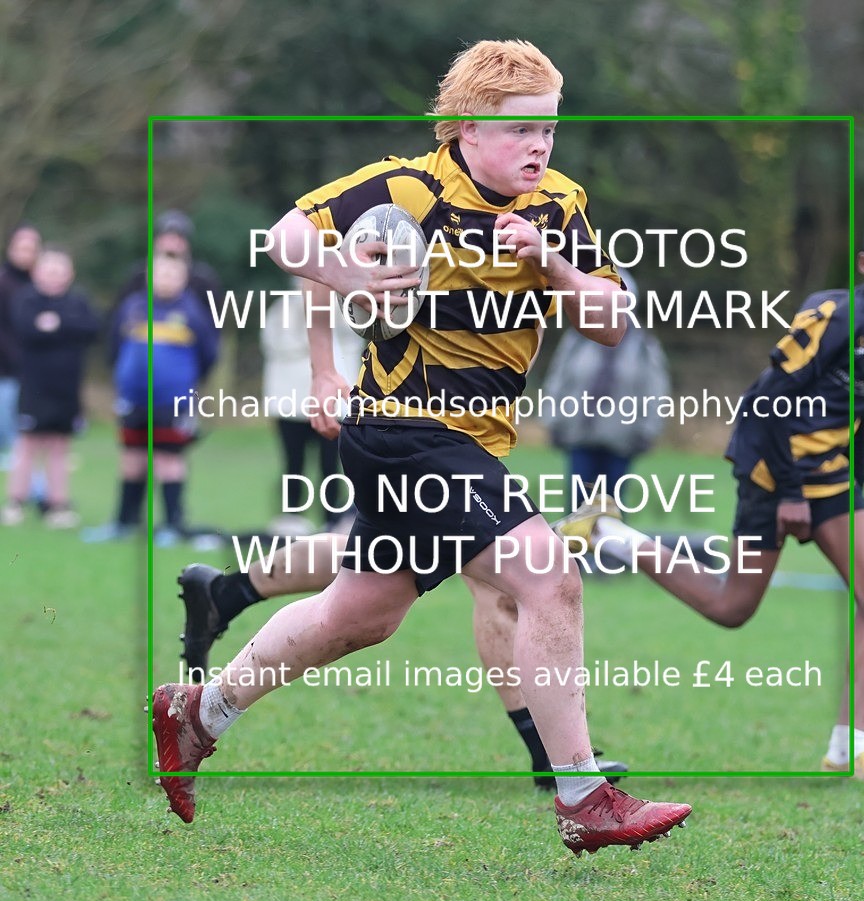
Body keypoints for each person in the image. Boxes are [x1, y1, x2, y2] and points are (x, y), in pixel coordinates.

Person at [151, 39, 692, 853]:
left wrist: (553, 263)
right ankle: (584, 797)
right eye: (519, 131)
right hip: (403, 429)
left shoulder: (561, 205)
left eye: (549, 128)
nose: (539, 146)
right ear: (469, 129)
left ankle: (198, 712)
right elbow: (289, 238)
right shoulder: (410, 185)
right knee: (551, 574)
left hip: (472, 442)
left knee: (358, 615)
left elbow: (610, 320)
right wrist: (350, 292)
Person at [556, 211, 864, 789]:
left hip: (832, 482)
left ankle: (848, 752)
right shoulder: (834, 315)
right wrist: (788, 493)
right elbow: (763, 402)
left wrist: (855, 484)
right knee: (731, 607)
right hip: (772, 471)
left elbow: (860, 410)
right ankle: (607, 532)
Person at [176, 533, 627, 791]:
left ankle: (226, 595)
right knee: (481, 577)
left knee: (383, 559)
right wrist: (324, 373)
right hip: (417, 416)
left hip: (445, 419)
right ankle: (547, 753)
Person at [83, 253, 218, 544]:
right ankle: (123, 523)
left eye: (173, 274)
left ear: (183, 279)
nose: (166, 279)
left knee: (169, 460)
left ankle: (173, 525)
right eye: (160, 273)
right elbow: (114, 347)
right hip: (133, 399)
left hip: (173, 401)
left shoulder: (192, 311)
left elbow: (209, 354)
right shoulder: (132, 307)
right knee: (132, 459)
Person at [542, 268, 671, 496]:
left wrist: (647, 431)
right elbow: (557, 381)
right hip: (580, 437)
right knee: (577, 510)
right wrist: (553, 421)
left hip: (622, 442)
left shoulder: (644, 346)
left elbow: (656, 392)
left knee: (612, 511)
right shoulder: (576, 340)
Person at [1, 246, 99, 527]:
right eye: (49, 270)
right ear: (38, 273)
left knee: (59, 447)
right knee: (27, 445)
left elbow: (91, 329)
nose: (55, 276)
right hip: (34, 388)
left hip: (66, 391)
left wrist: (57, 324)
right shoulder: (26, 300)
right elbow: (27, 330)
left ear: (70, 274)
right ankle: (15, 502)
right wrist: (63, 329)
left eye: (60, 271)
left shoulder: (77, 303)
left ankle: (58, 505)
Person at [260, 279, 363, 535]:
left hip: (333, 403)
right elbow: (276, 343)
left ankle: (333, 518)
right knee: (293, 462)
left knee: (331, 464)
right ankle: (291, 516)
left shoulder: (347, 305)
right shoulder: (283, 309)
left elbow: (355, 339)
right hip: (291, 402)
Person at [0, 224, 43, 471]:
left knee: (27, 438)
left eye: (32, 249)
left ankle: (37, 490)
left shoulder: (41, 284)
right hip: (6, 371)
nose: (27, 253)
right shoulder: (3, 283)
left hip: (34, 374)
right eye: (22, 247)